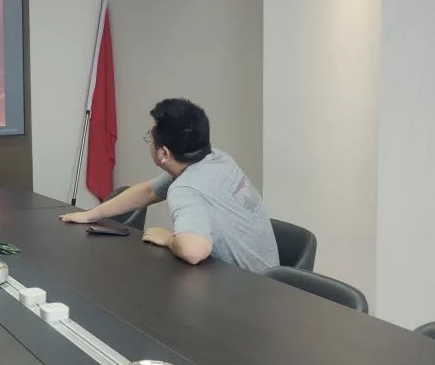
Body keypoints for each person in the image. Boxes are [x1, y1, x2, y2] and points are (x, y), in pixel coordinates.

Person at [62, 98, 278, 272]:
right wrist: (91, 214)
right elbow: (149, 191)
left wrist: (169, 239)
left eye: (149, 139)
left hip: (248, 293)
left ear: (163, 153)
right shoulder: (218, 159)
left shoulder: (185, 189)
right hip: (272, 284)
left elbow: (194, 251)